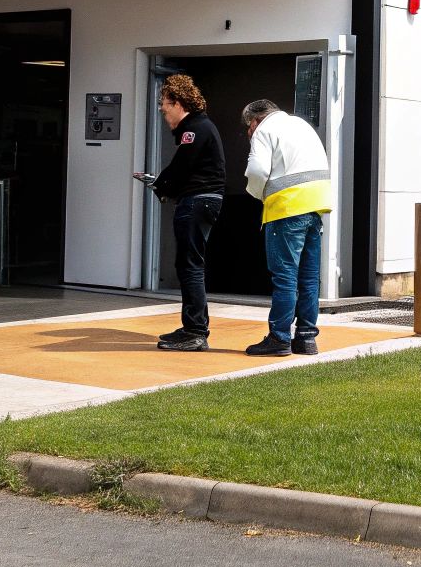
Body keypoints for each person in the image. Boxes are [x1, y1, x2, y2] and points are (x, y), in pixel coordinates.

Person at [240, 99, 332, 357]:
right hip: (316, 207)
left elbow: (257, 170)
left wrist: (258, 194)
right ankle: (306, 338)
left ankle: (279, 338)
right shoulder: (301, 125)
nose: (249, 132)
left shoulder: (264, 130)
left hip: (286, 209)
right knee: (309, 278)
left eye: (248, 127)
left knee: (285, 277)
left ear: (255, 120)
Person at [142, 75, 225, 352]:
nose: (161, 109)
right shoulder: (200, 127)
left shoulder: (196, 129)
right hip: (202, 202)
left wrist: (160, 184)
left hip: (197, 202)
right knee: (189, 264)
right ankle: (192, 327)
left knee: (190, 266)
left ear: (178, 103)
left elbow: (181, 167)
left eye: (164, 103)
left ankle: (195, 331)